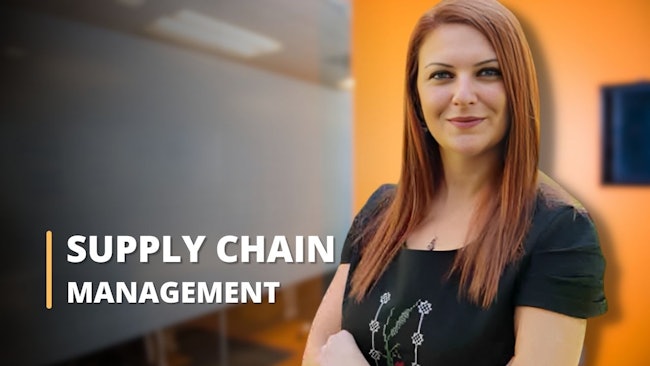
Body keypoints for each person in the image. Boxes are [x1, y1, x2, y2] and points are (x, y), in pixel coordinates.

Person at [303, 0, 607, 365]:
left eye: (488, 72)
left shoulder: (561, 233)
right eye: (442, 75)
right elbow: (315, 351)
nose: (463, 95)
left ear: (518, 88)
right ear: (416, 96)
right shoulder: (380, 211)